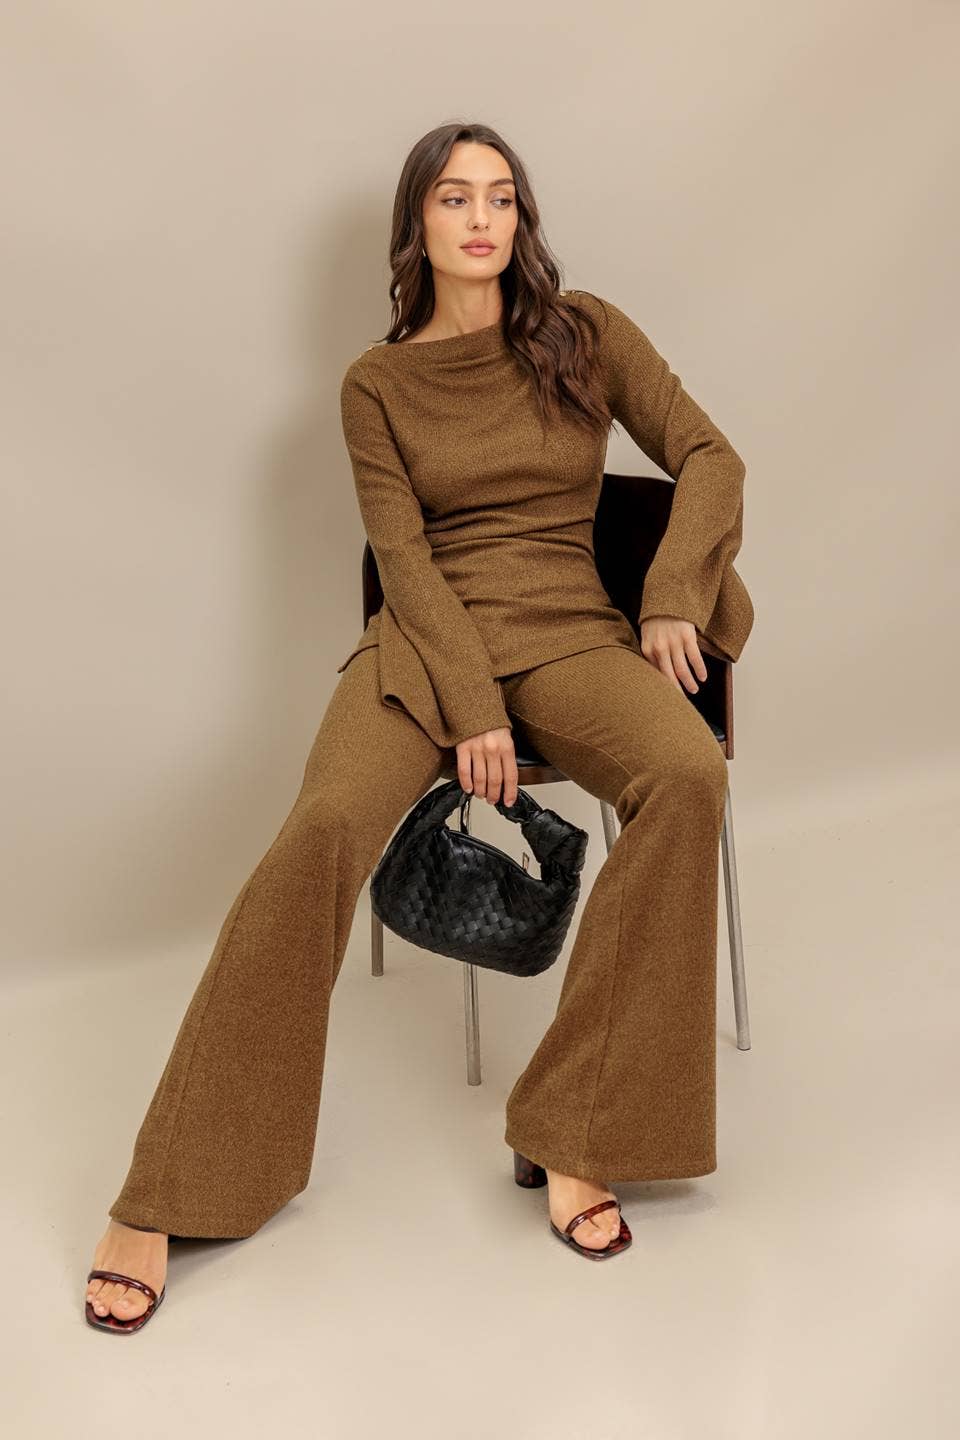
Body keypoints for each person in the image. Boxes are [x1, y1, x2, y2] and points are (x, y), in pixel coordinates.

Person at [85, 120, 754, 1329]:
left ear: (522, 221)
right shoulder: (377, 385)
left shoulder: (586, 334)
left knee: (688, 772)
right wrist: (470, 710)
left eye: (503, 197)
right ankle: (175, 1186)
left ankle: (576, 1128)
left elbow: (710, 454)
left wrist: (671, 595)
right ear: (419, 227)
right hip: (424, 644)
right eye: (457, 198)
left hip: (569, 627)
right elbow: (404, 562)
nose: (484, 218)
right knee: (324, 823)